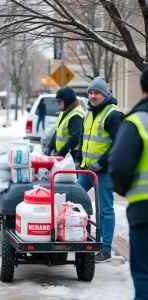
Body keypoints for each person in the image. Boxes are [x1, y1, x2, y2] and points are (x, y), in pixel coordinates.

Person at [109, 66, 148, 299]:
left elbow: (120, 167)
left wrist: (126, 190)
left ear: (142, 89)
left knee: (144, 276)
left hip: (145, 211)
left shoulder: (138, 121)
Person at [75, 76, 124, 262]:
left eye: (96, 93)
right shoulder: (89, 112)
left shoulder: (113, 114)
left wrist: (102, 162)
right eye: (90, 93)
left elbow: (118, 143)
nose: (93, 96)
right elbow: (83, 137)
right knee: (74, 200)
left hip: (104, 171)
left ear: (104, 94)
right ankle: (77, 237)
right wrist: (79, 160)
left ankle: (106, 249)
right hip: (88, 170)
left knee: (105, 209)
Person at [44, 86, 85, 160]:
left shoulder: (76, 115)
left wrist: (60, 153)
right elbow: (57, 132)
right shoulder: (64, 111)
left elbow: (75, 138)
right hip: (63, 156)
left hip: (71, 157)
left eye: (59, 101)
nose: (58, 103)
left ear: (67, 100)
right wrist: (50, 146)